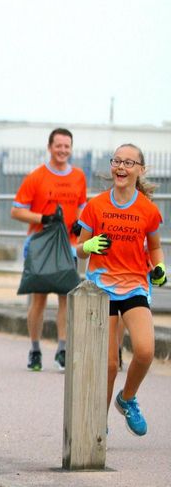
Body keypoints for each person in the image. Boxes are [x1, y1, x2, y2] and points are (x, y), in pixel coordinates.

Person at [76, 143, 163, 437]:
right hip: (101, 288)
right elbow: (79, 249)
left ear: (140, 170)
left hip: (135, 285)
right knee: (109, 363)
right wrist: (86, 247)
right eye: (117, 161)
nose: (121, 167)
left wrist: (160, 268)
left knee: (145, 350)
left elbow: (155, 246)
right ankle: (98, 421)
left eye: (129, 162)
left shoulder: (147, 210)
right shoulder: (96, 205)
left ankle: (126, 398)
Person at [11, 128, 87, 371]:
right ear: (50, 147)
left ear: (71, 148)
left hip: (70, 246)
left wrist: (80, 223)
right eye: (58, 146)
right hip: (41, 245)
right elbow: (17, 210)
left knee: (66, 297)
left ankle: (62, 349)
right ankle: (35, 349)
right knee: (39, 299)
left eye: (67, 146)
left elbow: (83, 206)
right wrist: (43, 218)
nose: (62, 150)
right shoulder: (36, 177)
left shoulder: (79, 176)